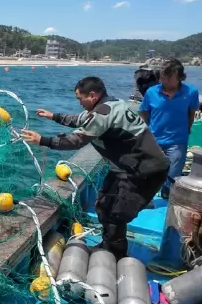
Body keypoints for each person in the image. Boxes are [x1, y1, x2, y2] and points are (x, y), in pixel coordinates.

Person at [21, 76, 170, 261]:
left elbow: (76, 141)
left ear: (92, 95)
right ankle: (108, 245)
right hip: (127, 167)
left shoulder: (103, 113)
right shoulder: (112, 105)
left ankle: (115, 256)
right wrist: (53, 116)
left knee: (116, 214)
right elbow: (80, 120)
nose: (79, 103)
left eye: (80, 98)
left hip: (144, 171)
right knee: (104, 204)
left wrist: (42, 140)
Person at [138, 58, 200, 199]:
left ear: (179, 77)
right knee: (150, 171)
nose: (164, 81)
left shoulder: (191, 92)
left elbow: (191, 113)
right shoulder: (151, 92)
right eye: (162, 77)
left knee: (173, 173)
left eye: (169, 78)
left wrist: (186, 130)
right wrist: (142, 134)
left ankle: (167, 190)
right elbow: (143, 113)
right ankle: (146, 198)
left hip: (178, 140)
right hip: (153, 139)